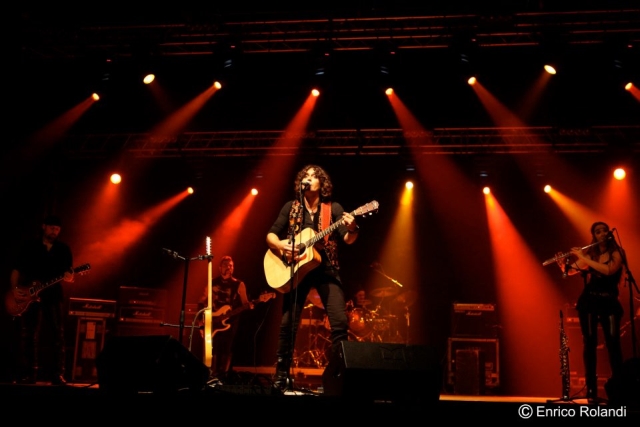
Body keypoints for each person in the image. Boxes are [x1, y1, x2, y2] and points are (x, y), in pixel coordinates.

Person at [266, 164, 359, 390]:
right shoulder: (291, 207)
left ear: (322, 183)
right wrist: (282, 246)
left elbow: (348, 239)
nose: (308, 178)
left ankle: (337, 377)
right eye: (305, 176)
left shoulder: (333, 208)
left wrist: (353, 228)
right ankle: (280, 377)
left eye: (313, 176)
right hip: (297, 270)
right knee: (288, 324)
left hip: (327, 270)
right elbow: (271, 235)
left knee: (339, 323)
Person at [557, 221, 626, 401]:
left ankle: (619, 388)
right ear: (594, 236)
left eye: (604, 231)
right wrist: (563, 266)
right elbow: (571, 271)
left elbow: (609, 270)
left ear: (609, 233)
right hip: (589, 301)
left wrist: (583, 257)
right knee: (589, 344)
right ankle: (591, 390)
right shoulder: (591, 254)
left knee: (613, 344)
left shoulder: (617, 253)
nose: (602, 234)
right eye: (598, 232)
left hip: (609, 302)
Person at [9, 214, 74, 385]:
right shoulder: (30, 246)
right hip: (30, 295)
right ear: (43, 226)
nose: (54, 231)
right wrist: (15, 290)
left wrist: (69, 276)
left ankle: (58, 374)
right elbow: (16, 270)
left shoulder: (63, 249)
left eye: (57, 229)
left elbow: (69, 274)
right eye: (52, 227)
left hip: (53, 296)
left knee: (57, 334)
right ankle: (29, 373)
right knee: (29, 334)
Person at [199, 255, 252, 383]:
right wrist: (201, 321)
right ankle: (211, 376)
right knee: (213, 349)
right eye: (226, 265)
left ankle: (223, 378)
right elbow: (201, 301)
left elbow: (245, 303)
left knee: (226, 349)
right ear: (219, 268)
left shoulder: (239, 284)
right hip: (213, 321)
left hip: (230, 322)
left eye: (231, 266)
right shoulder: (212, 282)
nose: (229, 268)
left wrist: (251, 305)